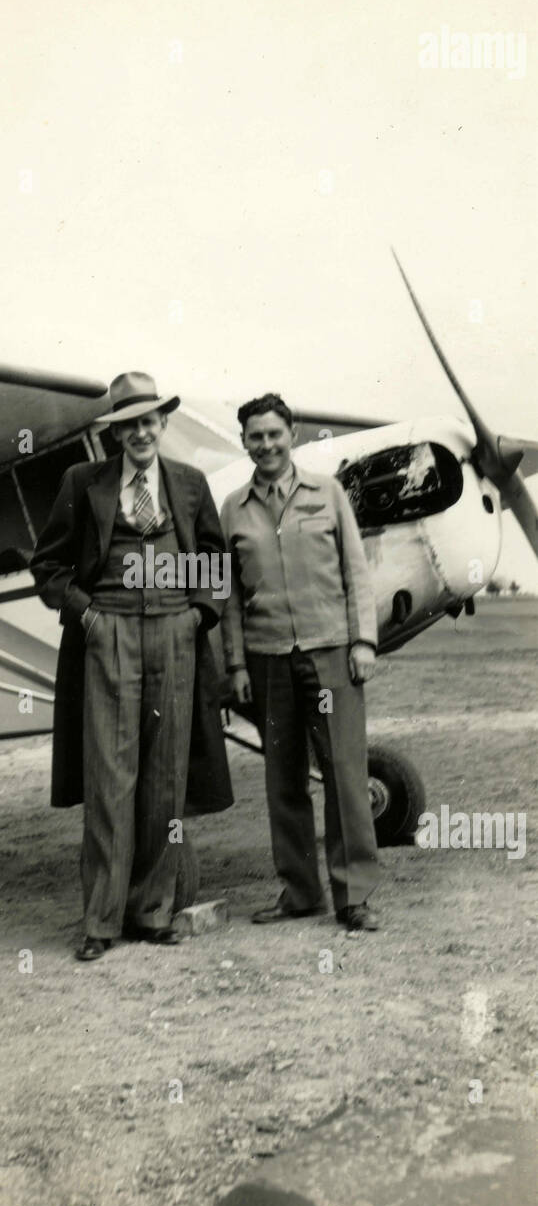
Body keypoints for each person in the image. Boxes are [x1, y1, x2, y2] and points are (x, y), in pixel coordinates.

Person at [31, 371, 232, 961]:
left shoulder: (190, 485)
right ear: (116, 433)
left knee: (165, 778)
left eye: (149, 421)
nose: (141, 432)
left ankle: (152, 911)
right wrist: (87, 616)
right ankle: (100, 921)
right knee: (109, 778)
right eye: (129, 424)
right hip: (108, 633)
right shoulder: (81, 482)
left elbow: (215, 562)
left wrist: (198, 615)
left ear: (163, 424)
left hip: (175, 635)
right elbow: (48, 566)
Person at [220, 392, 380, 931]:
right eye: (255, 437)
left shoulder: (328, 493)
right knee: (283, 781)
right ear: (244, 442)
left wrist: (364, 642)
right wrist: (236, 664)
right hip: (268, 663)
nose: (266, 445)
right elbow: (230, 598)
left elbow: (357, 573)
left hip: (332, 653)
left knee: (343, 773)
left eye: (274, 434)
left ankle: (353, 896)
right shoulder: (233, 509)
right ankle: (300, 891)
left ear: (293, 434)